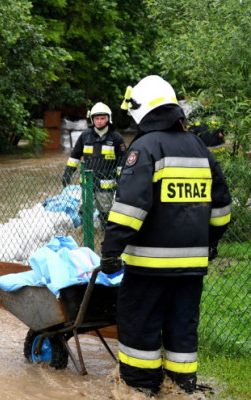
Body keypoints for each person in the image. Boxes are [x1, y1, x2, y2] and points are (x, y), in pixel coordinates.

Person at [99, 75, 232, 396]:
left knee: (140, 329)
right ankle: (181, 388)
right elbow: (223, 209)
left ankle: (140, 389)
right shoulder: (200, 148)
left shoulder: (144, 148)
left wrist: (109, 253)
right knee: (182, 330)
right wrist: (210, 244)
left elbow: (129, 210)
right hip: (191, 269)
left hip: (148, 268)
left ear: (142, 110)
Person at [62, 102, 127, 224]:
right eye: (97, 118)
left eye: (103, 118)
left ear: (108, 119)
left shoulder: (116, 138)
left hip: (106, 181)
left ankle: (104, 231)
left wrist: (121, 178)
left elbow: (122, 160)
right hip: (87, 180)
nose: (99, 121)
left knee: (105, 209)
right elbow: (75, 155)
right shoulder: (85, 135)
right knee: (85, 206)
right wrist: (68, 171)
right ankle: (84, 230)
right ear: (92, 119)